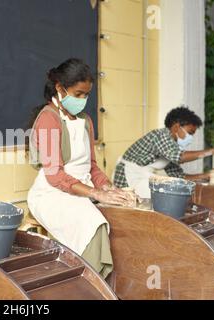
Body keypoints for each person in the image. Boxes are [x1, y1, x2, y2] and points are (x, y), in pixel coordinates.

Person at [27, 58, 133, 279]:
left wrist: (109, 189)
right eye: (78, 94)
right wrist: (95, 193)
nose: (83, 100)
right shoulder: (48, 118)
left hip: (81, 191)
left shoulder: (85, 120)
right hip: (51, 194)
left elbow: (92, 167)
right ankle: (86, 286)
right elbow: (55, 176)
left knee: (122, 217)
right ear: (60, 88)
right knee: (94, 225)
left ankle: (113, 286)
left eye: (86, 95)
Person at [113, 106, 214, 198]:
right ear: (176, 127)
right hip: (127, 176)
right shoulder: (160, 136)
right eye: (190, 133)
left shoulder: (171, 148)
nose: (191, 138)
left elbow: (179, 177)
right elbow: (180, 157)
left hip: (142, 176)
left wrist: (207, 175)